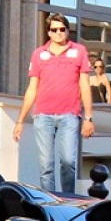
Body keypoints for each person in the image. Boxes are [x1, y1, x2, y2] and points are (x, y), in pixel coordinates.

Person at [13, 13, 95, 193]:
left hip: (69, 115)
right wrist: (20, 121)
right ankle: (49, 201)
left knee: (68, 161)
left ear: (67, 30)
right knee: (46, 165)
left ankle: (68, 199)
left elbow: (85, 85)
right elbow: (32, 88)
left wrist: (88, 117)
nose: (58, 33)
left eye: (62, 29)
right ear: (48, 33)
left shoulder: (79, 51)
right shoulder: (39, 54)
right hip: (43, 115)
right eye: (54, 30)